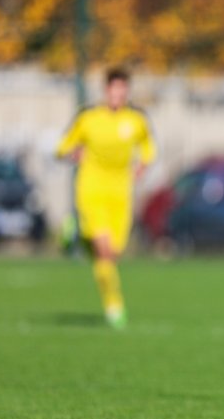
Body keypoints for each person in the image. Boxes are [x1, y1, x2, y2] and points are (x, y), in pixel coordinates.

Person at [56, 67, 156, 329]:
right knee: (104, 250)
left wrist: (142, 167)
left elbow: (148, 148)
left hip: (121, 193)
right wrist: (73, 153)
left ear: (126, 92)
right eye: (113, 88)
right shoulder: (89, 118)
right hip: (91, 189)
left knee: (113, 253)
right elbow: (62, 147)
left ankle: (75, 233)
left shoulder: (136, 121)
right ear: (106, 90)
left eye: (122, 89)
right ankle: (114, 305)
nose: (117, 94)